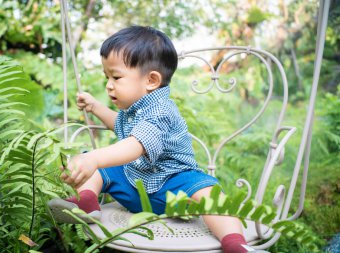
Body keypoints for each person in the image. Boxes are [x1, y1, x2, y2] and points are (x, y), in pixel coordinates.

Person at [48, 25, 269, 253]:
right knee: (99, 169)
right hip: (136, 186)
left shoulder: (161, 111)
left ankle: (234, 243)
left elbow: (135, 145)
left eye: (116, 76)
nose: (108, 84)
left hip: (174, 188)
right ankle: (87, 202)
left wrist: (95, 158)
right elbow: (120, 126)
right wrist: (96, 107)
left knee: (210, 194)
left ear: (151, 80)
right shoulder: (134, 110)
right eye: (107, 77)